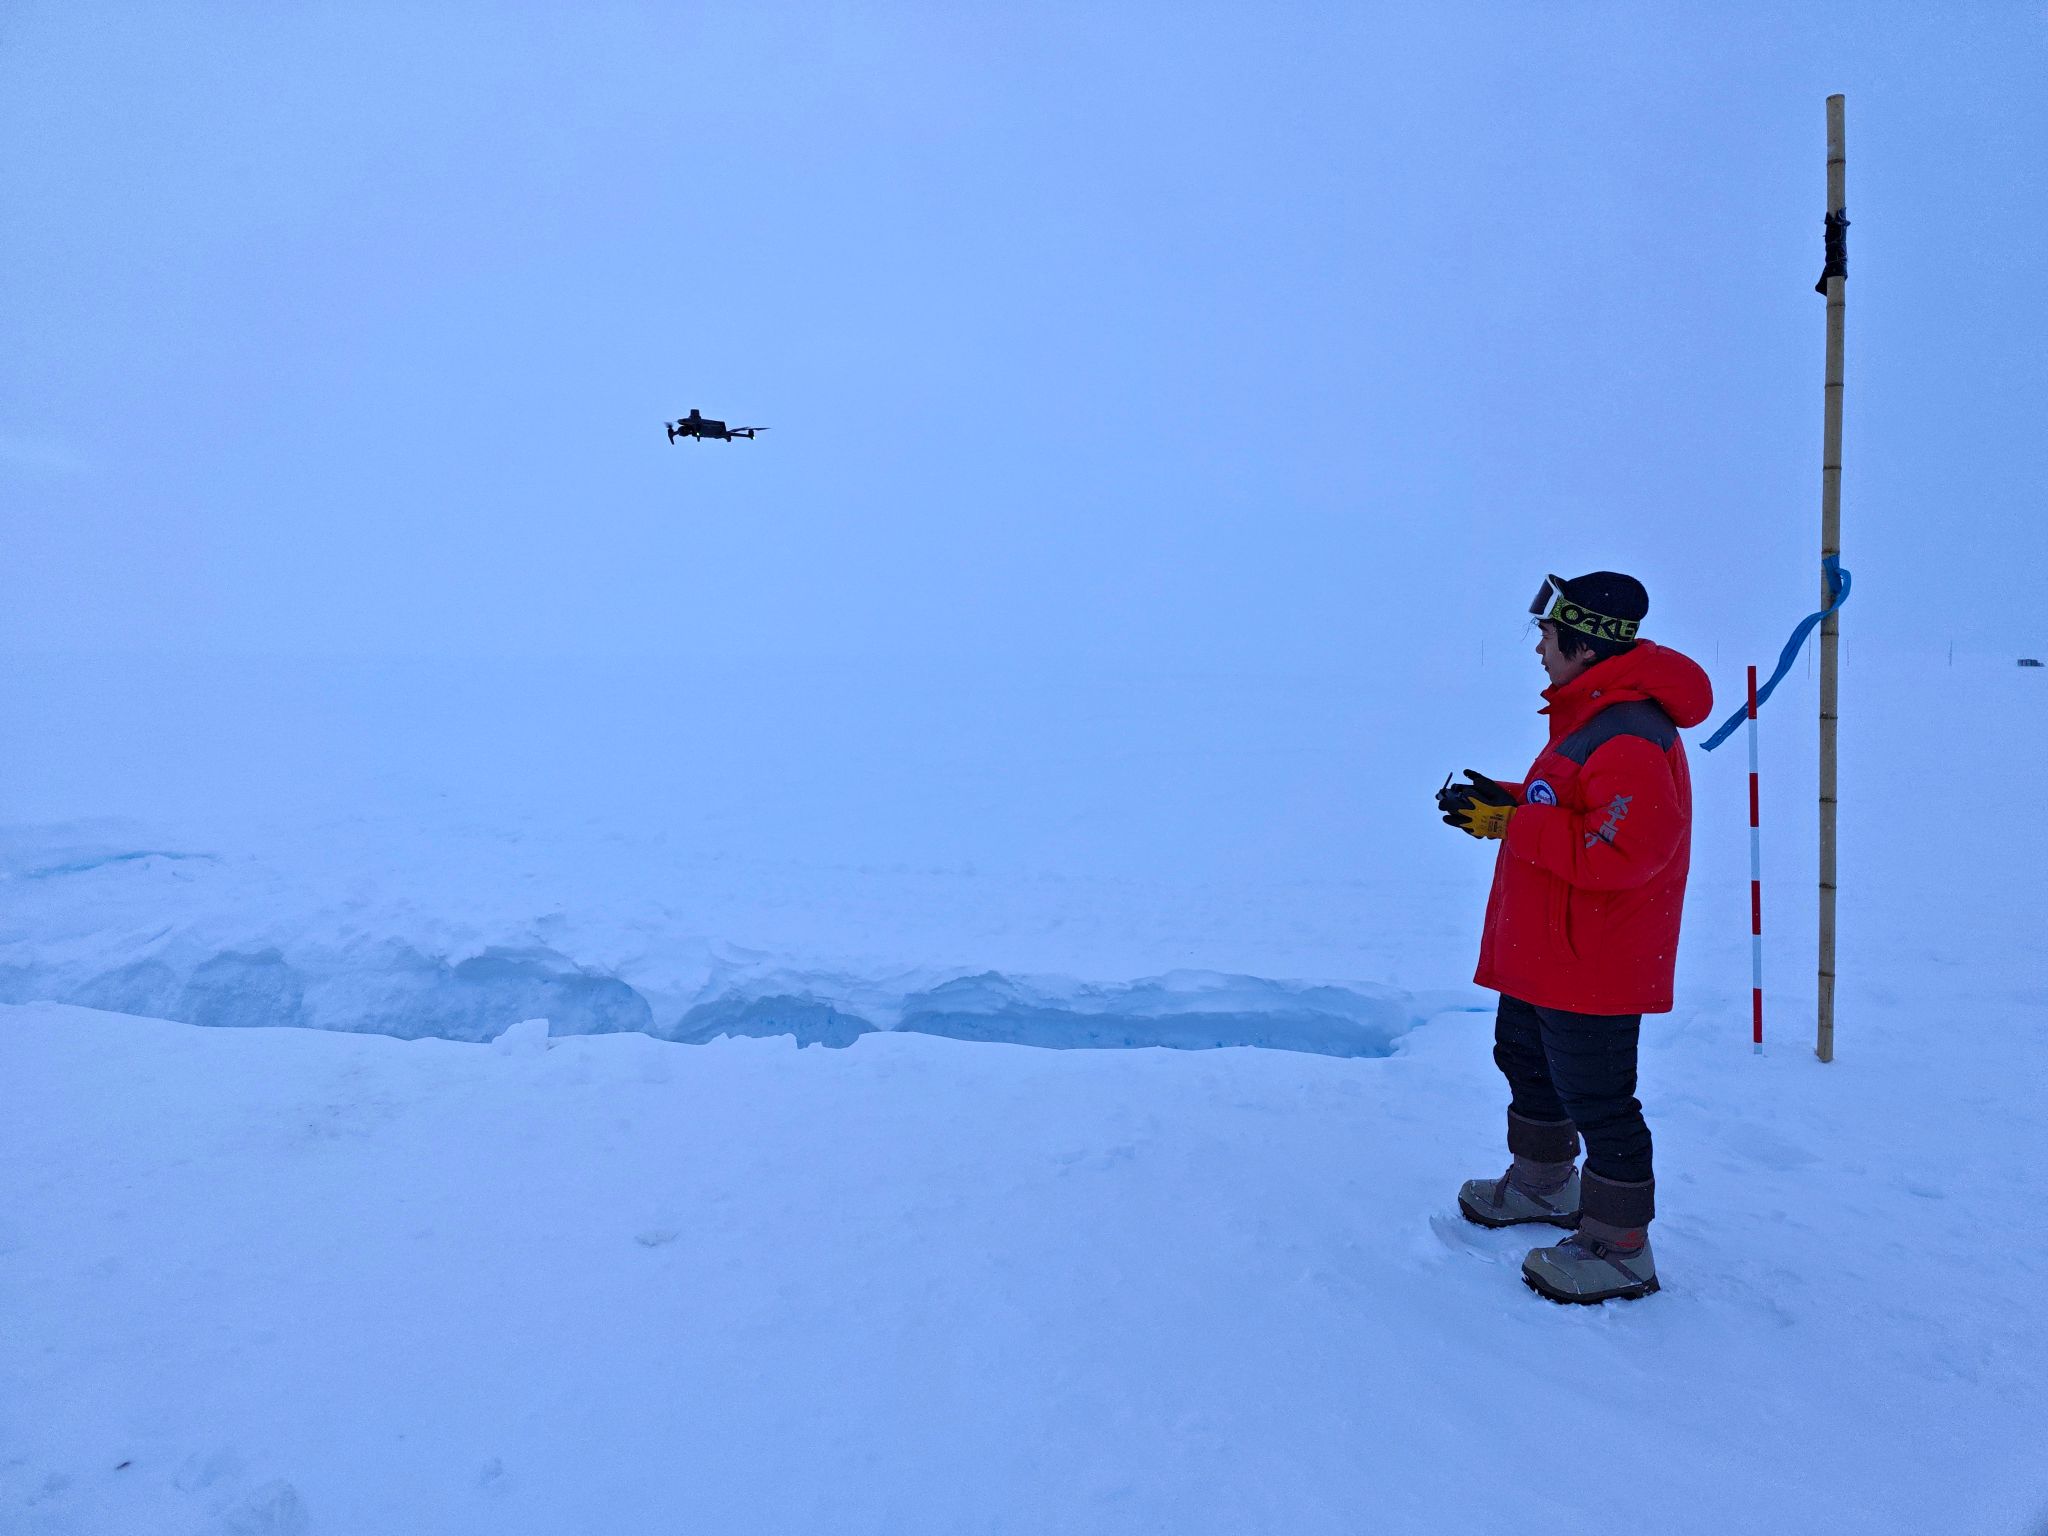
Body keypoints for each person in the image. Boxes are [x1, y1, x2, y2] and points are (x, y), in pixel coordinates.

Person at [1437, 572, 1712, 1303]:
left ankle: (1620, 1247)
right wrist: (1507, 801)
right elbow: (1573, 805)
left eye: (1548, 635)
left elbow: (1624, 850)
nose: (1539, 648)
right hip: (1547, 951)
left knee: (1598, 1098)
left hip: (1595, 960)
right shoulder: (1591, 714)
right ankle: (1543, 1184)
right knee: (1525, 1060)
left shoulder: (1630, 733)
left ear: (1585, 646)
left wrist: (1513, 823)